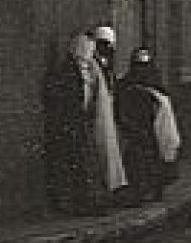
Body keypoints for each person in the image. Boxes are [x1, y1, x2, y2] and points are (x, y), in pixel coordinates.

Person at [43, 32, 127, 214]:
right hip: (74, 126)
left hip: (86, 124)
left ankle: (91, 200)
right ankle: (82, 202)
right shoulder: (69, 73)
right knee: (80, 165)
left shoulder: (90, 70)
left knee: (88, 164)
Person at [116, 47, 180, 203]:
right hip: (137, 127)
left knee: (155, 159)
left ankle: (155, 189)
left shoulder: (155, 83)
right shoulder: (127, 84)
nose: (141, 70)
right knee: (138, 161)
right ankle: (139, 191)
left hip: (152, 126)